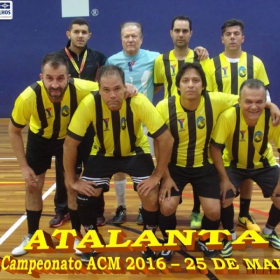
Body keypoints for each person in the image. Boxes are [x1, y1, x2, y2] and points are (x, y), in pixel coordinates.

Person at [63, 64, 174, 263]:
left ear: (125, 87)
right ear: (99, 90)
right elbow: (70, 144)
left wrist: (157, 175)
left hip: (135, 152)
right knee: (84, 196)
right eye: (106, 90)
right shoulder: (90, 103)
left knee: (150, 193)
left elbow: (166, 139)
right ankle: (91, 239)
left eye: (116, 89)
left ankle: (148, 237)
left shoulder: (139, 102)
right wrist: (72, 180)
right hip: (103, 153)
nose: (112, 95)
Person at [106, 20, 208, 225]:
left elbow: (161, 82)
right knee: (118, 166)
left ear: (141, 38)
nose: (130, 39)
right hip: (118, 122)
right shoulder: (112, 60)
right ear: (121, 38)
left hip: (145, 123)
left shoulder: (155, 58)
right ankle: (121, 206)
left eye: (134, 35)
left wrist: (199, 50)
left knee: (148, 165)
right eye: (126, 36)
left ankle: (145, 207)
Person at [8, 52, 98, 256]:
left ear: (69, 77)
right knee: (33, 185)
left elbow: (110, 88)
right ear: (42, 77)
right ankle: (32, 235)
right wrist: (23, 167)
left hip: (67, 141)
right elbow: (13, 131)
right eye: (49, 78)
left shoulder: (81, 88)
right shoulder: (28, 97)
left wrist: (128, 88)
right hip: (39, 140)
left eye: (60, 78)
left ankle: (77, 236)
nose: (55, 84)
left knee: (72, 185)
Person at [155, 62, 239, 261]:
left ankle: (204, 238)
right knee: (166, 206)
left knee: (213, 211)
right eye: (185, 81)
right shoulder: (164, 107)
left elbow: (247, 99)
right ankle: (169, 240)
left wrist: (270, 104)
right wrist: (164, 176)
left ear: (203, 85)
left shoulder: (215, 100)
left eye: (195, 81)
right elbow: (159, 145)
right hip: (174, 167)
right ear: (178, 86)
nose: (190, 85)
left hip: (204, 166)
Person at [205, 18, 271, 233]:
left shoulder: (256, 63)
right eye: (228, 34)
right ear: (222, 38)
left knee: (247, 165)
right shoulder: (211, 65)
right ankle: (202, 209)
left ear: (242, 38)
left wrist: (272, 106)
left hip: (249, 123)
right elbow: (209, 96)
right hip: (222, 125)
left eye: (236, 34)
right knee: (220, 171)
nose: (232, 37)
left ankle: (243, 214)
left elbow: (264, 94)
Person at [210, 79, 280, 258]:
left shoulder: (274, 119)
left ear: (266, 102)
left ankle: (269, 231)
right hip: (233, 164)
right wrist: (224, 180)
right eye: (248, 101)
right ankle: (229, 236)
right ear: (239, 101)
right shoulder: (228, 116)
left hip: (263, 165)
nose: (254, 107)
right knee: (224, 196)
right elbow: (215, 148)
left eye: (259, 102)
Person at [153, 15, 210, 230]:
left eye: (185, 31)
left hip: (196, 117)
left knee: (196, 161)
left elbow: (208, 87)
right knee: (169, 162)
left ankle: (196, 209)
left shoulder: (200, 58)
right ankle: (169, 203)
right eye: (177, 30)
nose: (181, 34)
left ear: (191, 34)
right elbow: (158, 86)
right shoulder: (161, 61)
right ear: (171, 33)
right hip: (170, 119)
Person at [50, 18, 107, 229]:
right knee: (64, 169)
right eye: (76, 32)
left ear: (89, 35)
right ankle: (62, 209)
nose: (80, 35)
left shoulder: (99, 58)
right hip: (66, 122)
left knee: (93, 167)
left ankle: (96, 211)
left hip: (93, 122)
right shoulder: (57, 59)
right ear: (68, 34)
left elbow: (106, 85)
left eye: (84, 32)